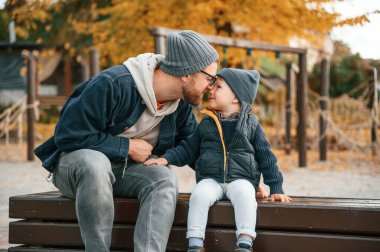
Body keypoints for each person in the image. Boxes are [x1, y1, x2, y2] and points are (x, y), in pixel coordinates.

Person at [34, 30, 219, 252]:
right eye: (210, 79)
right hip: (76, 169)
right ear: (187, 73)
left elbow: (196, 150)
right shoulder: (113, 84)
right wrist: (127, 147)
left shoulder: (179, 108)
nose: (211, 87)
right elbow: (68, 135)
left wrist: (235, 177)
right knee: (95, 164)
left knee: (163, 178)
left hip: (123, 173)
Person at [145, 68, 292, 252]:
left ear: (236, 98)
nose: (211, 90)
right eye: (212, 85)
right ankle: (195, 243)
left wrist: (276, 187)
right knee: (199, 194)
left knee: (246, 194)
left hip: (241, 179)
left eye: (218, 87)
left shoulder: (251, 124)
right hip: (211, 179)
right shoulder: (207, 123)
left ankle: (245, 242)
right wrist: (166, 158)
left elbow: (266, 157)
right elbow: (188, 149)